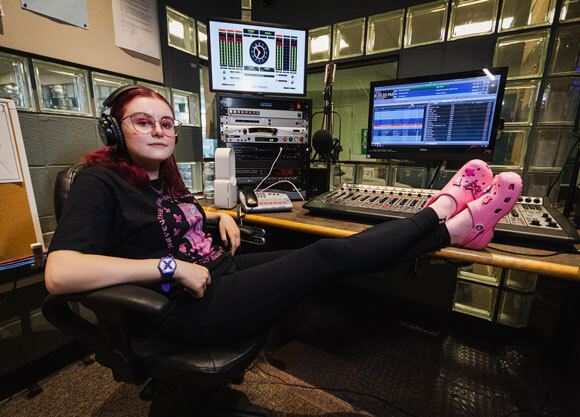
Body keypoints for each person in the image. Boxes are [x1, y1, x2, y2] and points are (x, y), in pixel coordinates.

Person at [45, 86, 523, 345]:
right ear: (114, 129)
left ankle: (455, 227)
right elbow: (60, 273)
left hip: (217, 271)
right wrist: (170, 267)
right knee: (327, 257)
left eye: (165, 122)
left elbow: (163, 225)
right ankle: (444, 218)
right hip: (183, 308)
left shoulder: (160, 179)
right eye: (142, 121)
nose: (158, 130)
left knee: (316, 250)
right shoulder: (98, 181)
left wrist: (215, 217)